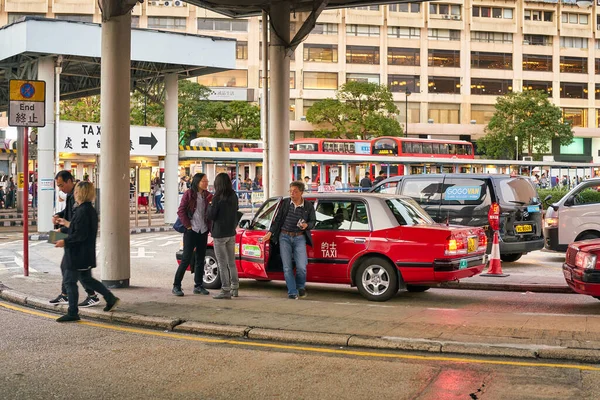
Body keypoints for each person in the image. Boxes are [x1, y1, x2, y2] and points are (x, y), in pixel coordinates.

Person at [54, 181, 120, 322]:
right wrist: (64, 226)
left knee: (69, 281)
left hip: (77, 254)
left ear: (81, 193)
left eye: (77, 191)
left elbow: (79, 235)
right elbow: (78, 228)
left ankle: (73, 312)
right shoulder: (86, 209)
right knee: (86, 279)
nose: (75, 194)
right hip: (83, 253)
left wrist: (64, 241)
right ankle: (110, 298)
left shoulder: (83, 211)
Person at [50, 171, 100, 308]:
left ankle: (91, 297)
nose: (60, 189)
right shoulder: (70, 196)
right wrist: (58, 215)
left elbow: (77, 224)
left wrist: (63, 232)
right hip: (72, 234)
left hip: (75, 237)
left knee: (75, 269)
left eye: (61, 185)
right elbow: (68, 213)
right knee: (72, 268)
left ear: (69, 181)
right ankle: (69, 295)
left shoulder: (80, 201)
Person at [262, 181, 316, 299]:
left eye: (295, 191)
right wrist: (270, 233)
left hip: (299, 237)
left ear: (301, 192)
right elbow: (277, 220)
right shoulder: (285, 204)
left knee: (302, 266)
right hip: (284, 237)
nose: (292, 193)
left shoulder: (308, 206)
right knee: (287, 267)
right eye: (290, 191)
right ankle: (292, 292)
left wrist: (307, 225)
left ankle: (300, 287)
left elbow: (313, 221)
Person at [172, 173, 213, 296]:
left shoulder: (208, 196)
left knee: (201, 259)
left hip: (203, 230)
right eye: (204, 181)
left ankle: (198, 286)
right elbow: (181, 211)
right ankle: (176, 286)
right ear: (197, 182)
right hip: (191, 231)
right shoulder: (189, 194)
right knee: (186, 259)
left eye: (207, 181)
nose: (206, 183)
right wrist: (188, 226)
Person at [207, 173, 240, 300]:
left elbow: (211, 216)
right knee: (232, 262)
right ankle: (235, 288)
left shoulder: (216, 198)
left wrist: (210, 204)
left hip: (219, 234)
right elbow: (236, 209)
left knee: (222, 263)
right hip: (231, 233)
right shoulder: (233, 196)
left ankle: (225, 290)